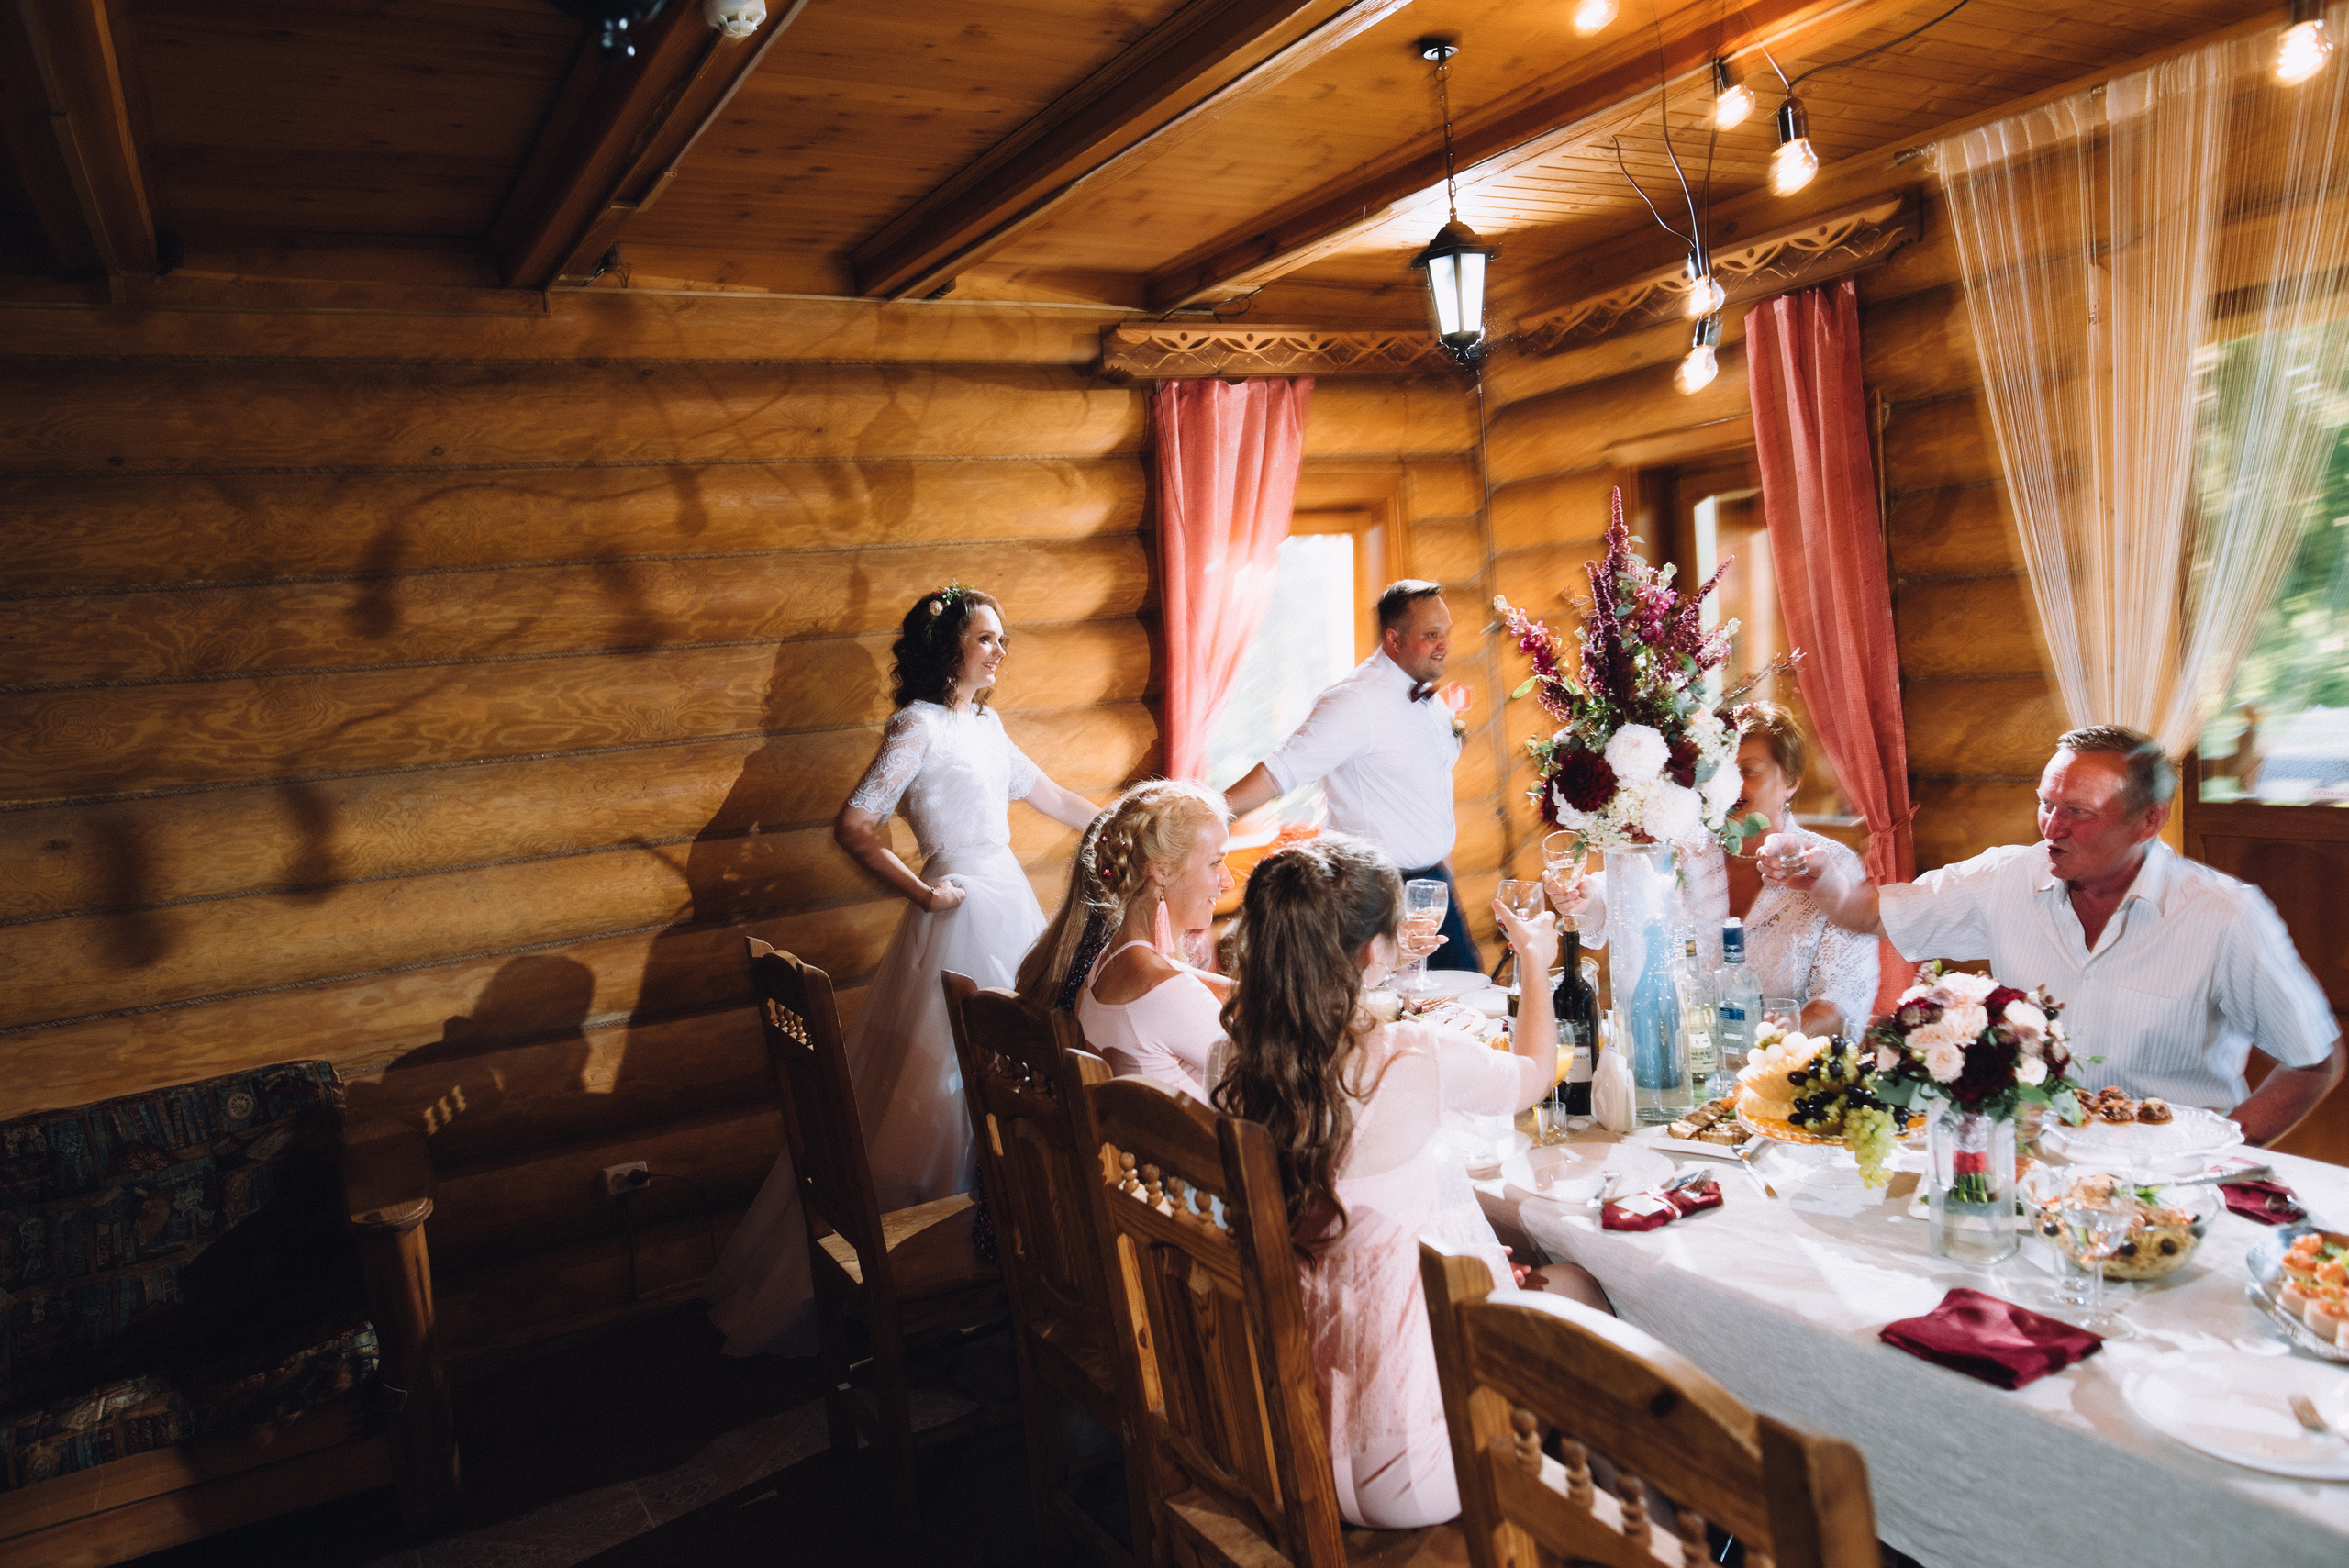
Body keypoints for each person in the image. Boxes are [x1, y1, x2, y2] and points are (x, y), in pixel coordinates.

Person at [707, 584, 1099, 1356]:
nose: (999, 651)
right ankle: (955, 1274)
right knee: (950, 1084)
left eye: (1004, 639)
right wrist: (924, 889)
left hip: (1006, 898)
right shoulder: (917, 727)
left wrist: (1127, 818)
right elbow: (857, 822)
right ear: (948, 645)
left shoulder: (986, 727)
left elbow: (1048, 793)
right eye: (986, 637)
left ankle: (1000, 1265)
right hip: (956, 910)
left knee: (997, 1070)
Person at [1214, 835, 1609, 1530]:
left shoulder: (1237, 1053)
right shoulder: (1408, 1054)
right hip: (1412, 1461)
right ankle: (1603, 1523)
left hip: (1288, 1436)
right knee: (1582, 1288)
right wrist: (1537, 965)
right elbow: (1535, 1073)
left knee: (1542, 1278)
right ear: (1374, 951)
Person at [1767, 724, 2342, 1146]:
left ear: (2149, 820)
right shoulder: (2004, 877)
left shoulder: (2227, 917)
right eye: (2044, 804)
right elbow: (1866, 914)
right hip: (2031, 1160)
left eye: (2078, 812)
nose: (2051, 828)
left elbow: (2315, 1061)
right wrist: (1822, 875)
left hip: (2166, 1177)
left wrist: (2215, 1153)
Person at [1552, 702, 1877, 1037]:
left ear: (1791, 780)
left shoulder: (1832, 865)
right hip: (1683, 1057)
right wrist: (1584, 901)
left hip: (1783, 1070)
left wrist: (1777, 1041)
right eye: (1722, 770)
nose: (1733, 784)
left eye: (1749, 770)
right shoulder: (1681, 845)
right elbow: (1616, 907)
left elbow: (1842, 998)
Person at [1224, 581, 1480, 973]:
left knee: (1466, 1001)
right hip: (1376, 895)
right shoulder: (1354, 702)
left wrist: (1439, 858)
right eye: (1431, 635)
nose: (1444, 644)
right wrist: (1209, 814)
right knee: (1395, 1014)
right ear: (1393, 639)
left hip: (1433, 887)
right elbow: (1281, 771)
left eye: (1445, 632)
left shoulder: (1426, 696)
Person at [1015, 779, 1234, 1099]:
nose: (1226, 881)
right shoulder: (1170, 994)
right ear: (1161, 871)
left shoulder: (1101, 968)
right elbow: (1277, 1090)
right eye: (1215, 863)